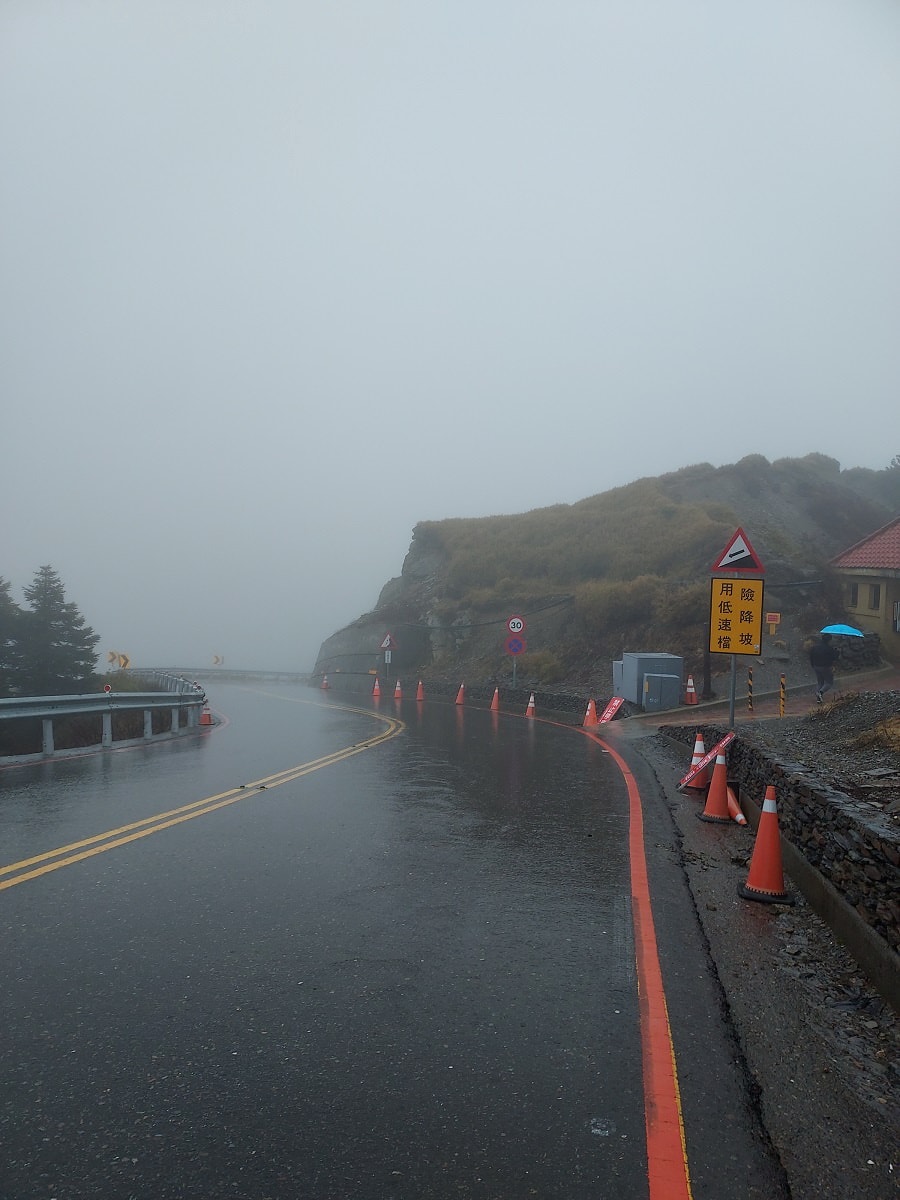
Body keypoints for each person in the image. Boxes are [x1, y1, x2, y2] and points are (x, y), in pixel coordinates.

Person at [809, 633, 839, 702]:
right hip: (826, 667)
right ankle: (820, 692)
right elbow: (834, 658)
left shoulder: (815, 647)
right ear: (829, 640)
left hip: (816, 666)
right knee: (829, 683)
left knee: (820, 682)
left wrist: (813, 665)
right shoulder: (829, 648)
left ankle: (818, 697)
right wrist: (836, 652)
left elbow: (811, 656)